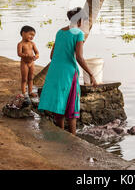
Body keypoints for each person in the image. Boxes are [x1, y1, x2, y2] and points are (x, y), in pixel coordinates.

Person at [38, 7, 97, 135]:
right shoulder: (78, 34)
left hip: (55, 71)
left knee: (59, 103)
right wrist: (91, 74)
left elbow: (52, 55)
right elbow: (80, 58)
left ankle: (61, 134)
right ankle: (73, 137)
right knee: (71, 106)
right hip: (68, 73)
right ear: (80, 20)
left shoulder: (60, 32)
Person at [17, 25, 39, 98]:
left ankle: (30, 92)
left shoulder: (32, 43)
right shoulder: (20, 44)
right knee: (24, 79)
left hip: (31, 63)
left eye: (33, 35)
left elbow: (37, 52)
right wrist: (26, 55)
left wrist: (36, 56)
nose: (32, 37)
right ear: (23, 33)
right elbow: (19, 54)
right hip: (24, 63)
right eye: (30, 34)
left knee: (31, 78)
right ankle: (23, 93)